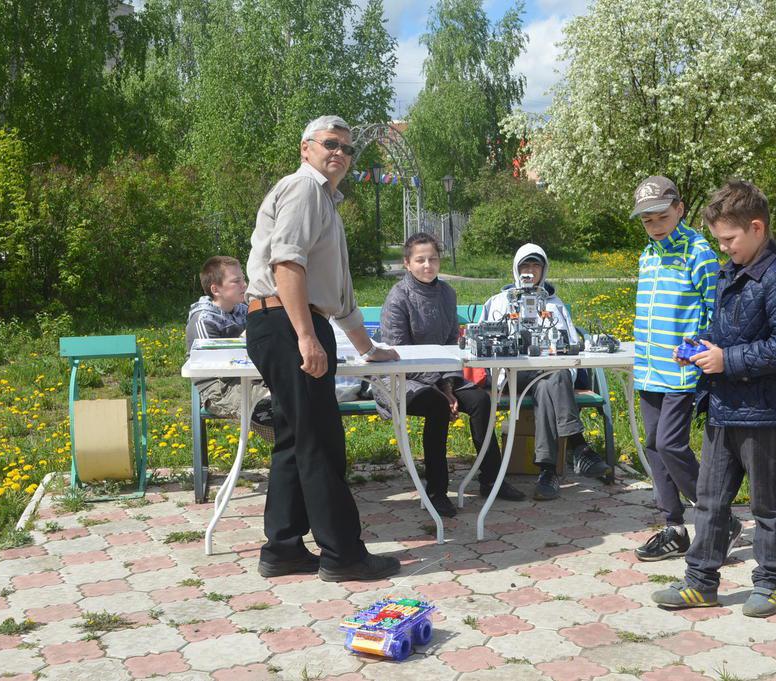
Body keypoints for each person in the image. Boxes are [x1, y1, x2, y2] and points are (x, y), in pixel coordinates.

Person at [244, 115, 401, 582]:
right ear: (306, 148)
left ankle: (284, 548)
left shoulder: (325, 202)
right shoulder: (305, 188)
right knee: (320, 441)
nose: (340, 154)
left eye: (347, 149)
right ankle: (343, 555)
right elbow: (287, 262)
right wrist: (306, 337)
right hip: (287, 321)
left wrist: (367, 347)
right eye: (330, 144)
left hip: (285, 321)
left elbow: (339, 293)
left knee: (295, 438)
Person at [652, 180, 776, 618]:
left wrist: (728, 360)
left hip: (763, 412)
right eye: (719, 241)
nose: (723, 248)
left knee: (767, 503)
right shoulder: (729, 273)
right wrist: (701, 351)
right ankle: (701, 582)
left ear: (756, 228)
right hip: (722, 408)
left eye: (729, 239)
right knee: (711, 500)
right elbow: (725, 335)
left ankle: (770, 583)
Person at [375, 233, 525, 518]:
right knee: (437, 407)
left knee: (480, 400)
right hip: (399, 377)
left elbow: (450, 344)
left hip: (442, 376)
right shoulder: (398, 297)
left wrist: (448, 384)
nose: (427, 265)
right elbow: (400, 354)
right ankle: (437, 490)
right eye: (420, 260)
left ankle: (491, 479)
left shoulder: (446, 293)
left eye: (432, 259)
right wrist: (441, 390)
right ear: (407, 264)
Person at [629, 176, 737, 562]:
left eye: (661, 216)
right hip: (648, 368)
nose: (654, 225)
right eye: (646, 221)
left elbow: (717, 313)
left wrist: (696, 349)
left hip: (681, 372)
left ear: (680, 209)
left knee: (671, 444)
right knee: (653, 446)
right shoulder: (647, 255)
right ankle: (673, 527)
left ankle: (719, 518)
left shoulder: (699, 254)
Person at [479, 244, 612, 501]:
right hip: (514, 374)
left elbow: (570, 345)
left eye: (535, 266)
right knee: (554, 375)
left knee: (550, 383)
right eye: (525, 266)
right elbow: (487, 342)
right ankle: (579, 447)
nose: (530, 271)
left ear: (544, 270)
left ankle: (547, 472)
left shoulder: (554, 304)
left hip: (549, 377)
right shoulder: (499, 301)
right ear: (517, 270)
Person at [185, 256, 273, 439]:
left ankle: (300, 457)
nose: (244, 285)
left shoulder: (243, 309)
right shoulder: (203, 319)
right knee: (271, 404)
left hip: (250, 377)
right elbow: (212, 366)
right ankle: (293, 457)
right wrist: (246, 338)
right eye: (236, 281)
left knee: (293, 393)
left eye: (243, 279)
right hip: (219, 388)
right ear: (215, 289)